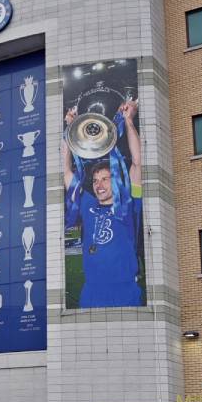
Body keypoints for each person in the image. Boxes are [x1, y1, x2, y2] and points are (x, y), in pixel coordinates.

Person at [61, 99, 143, 307]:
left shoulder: (129, 203)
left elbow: (137, 162)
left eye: (105, 179)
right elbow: (66, 170)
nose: (99, 184)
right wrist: (69, 130)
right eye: (96, 180)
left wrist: (129, 121)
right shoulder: (88, 205)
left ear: (115, 179)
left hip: (124, 290)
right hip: (91, 292)